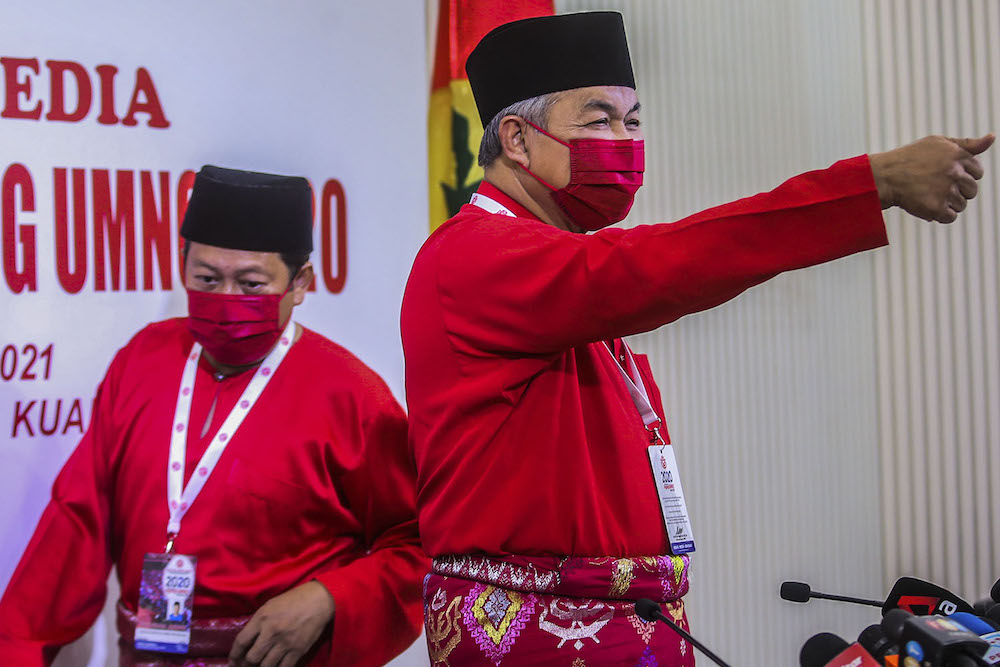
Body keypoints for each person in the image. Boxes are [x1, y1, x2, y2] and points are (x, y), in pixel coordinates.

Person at [400, 11, 992, 666]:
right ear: (515, 137)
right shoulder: (475, 256)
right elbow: (663, 262)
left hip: (626, 623)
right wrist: (869, 183)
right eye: (599, 121)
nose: (625, 140)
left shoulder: (556, 264)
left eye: (634, 121)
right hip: (533, 634)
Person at [0, 166, 428, 667]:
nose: (226, 300)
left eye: (250, 284)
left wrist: (329, 598)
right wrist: (19, 647)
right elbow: (78, 517)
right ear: (181, 267)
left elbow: (416, 542)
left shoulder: (351, 395)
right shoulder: (142, 361)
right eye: (206, 279)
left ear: (301, 282)